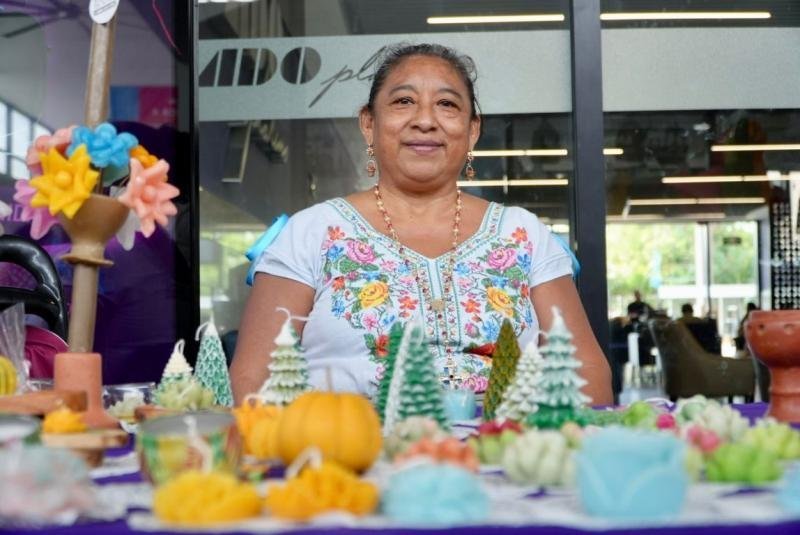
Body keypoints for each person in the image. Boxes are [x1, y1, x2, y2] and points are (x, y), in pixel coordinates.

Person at [230, 44, 612, 405]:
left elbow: (587, 372)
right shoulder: (311, 231)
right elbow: (253, 378)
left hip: (506, 455)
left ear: (472, 129)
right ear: (369, 123)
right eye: (403, 102)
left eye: (446, 104)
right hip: (345, 457)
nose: (425, 120)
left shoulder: (523, 234)